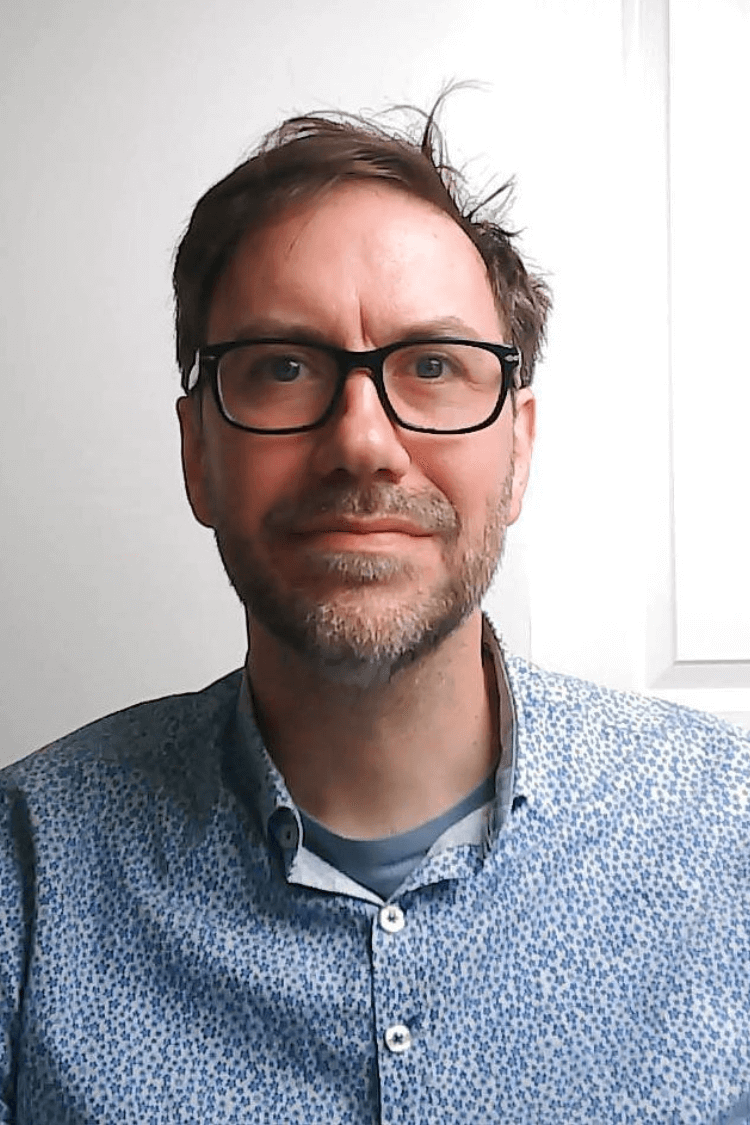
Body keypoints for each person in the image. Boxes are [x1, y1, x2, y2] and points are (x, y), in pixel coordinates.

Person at [1, 99, 748, 1125]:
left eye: (433, 367)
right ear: (196, 456)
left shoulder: (731, 837)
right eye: (284, 368)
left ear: (518, 450)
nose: (362, 442)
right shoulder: (24, 874)